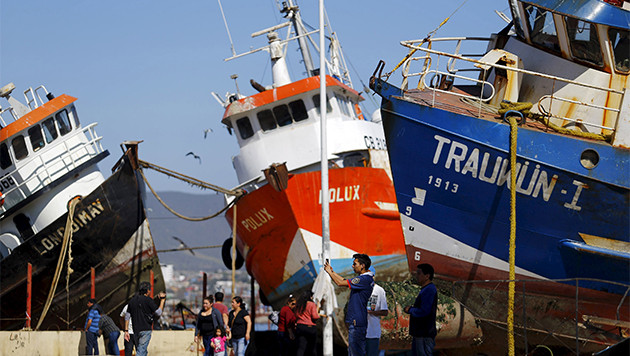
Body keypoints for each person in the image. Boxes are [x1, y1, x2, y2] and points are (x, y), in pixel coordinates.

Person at [324, 254, 374, 356]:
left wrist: (329, 272)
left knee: (356, 352)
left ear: (362, 265)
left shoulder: (364, 280)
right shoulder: (364, 279)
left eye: (354, 264)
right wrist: (332, 272)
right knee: (354, 351)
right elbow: (343, 281)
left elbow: (339, 283)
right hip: (357, 320)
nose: (352, 266)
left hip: (357, 321)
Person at [124, 281, 166, 356]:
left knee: (142, 351)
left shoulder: (132, 301)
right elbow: (158, 313)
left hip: (135, 330)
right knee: (141, 351)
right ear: (148, 291)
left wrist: (126, 330)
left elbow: (127, 316)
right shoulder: (148, 300)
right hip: (145, 329)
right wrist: (162, 301)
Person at [404, 263, 438, 356]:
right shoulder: (425, 289)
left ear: (427, 276)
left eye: (419, 273)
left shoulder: (429, 290)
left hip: (424, 333)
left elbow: (424, 311)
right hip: (420, 333)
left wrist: (410, 310)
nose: (416, 276)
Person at [294, 290, 326, 356]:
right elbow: (315, 316)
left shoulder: (298, 304)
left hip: (300, 327)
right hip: (310, 327)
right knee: (312, 348)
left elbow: (296, 315)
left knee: (301, 347)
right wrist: (318, 315)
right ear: (310, 297)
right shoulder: (311, 304)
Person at [366, 267, 388, 356]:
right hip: (360, 333)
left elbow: (384, 312)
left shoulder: (379, 290)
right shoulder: (358, 289)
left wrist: (370, 313)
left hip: (372, 333)